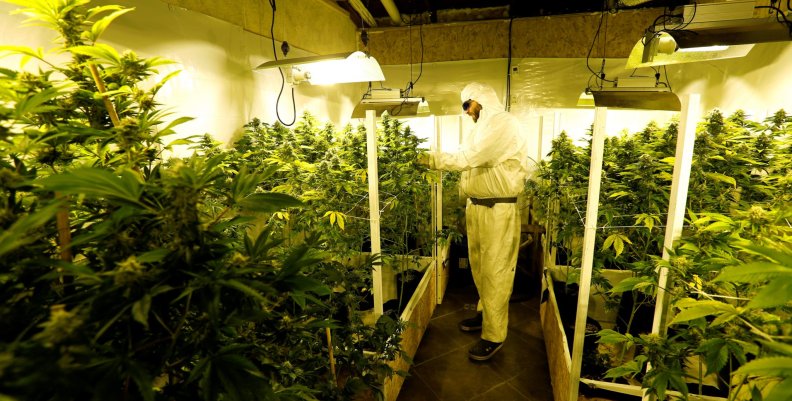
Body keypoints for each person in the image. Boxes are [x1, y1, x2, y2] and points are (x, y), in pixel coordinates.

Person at [419, 82, 529, 361]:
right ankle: (485, 315)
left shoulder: (503, 124)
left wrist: (427, 159)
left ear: (480, 99)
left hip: (497, 210)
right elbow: (469, 160)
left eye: (467, 105)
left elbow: (469, 158)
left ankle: (494, 335)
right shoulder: (480, 129)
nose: (467, 112)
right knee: (480, 268)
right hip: (478, 209)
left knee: (496, 271)